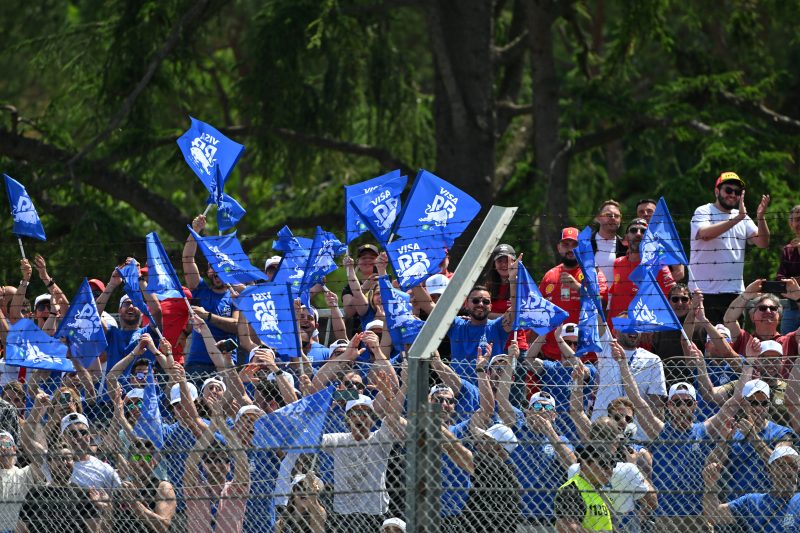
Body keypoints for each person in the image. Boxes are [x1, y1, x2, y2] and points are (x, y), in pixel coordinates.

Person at [614, 340, 740, 532]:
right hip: (666, 517)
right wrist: (623, 364)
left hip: (699, 516)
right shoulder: (660, 431)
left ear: (695, 405)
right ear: (669, 406)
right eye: (677, 402)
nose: (682, 407)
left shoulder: (704, 430)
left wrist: (746, 369)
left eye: (687, 403)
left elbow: (732, 404)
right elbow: (636, 399)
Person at [689, 171, 770, 324]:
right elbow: (705, 234)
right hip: (703, 292)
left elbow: (763, 243)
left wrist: (761, 218)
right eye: (728, 190)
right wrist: (737, 218)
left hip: (734, 292)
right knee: (705, 343)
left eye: (737, 192)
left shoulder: (743, 217)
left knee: (733, 341)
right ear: (716, 191)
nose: (732, 194)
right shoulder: (704, 211)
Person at [320, 394, 405, 533]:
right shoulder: (339, 440)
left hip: (375, 514)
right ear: (348, 418)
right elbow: (315, 438)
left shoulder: (380, 439)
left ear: (372, 419)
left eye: (366, 413)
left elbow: (392, 418)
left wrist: (403, 387)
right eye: (356, 413)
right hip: (343, 515)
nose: (361, 417)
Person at [184, 395, 251, 533]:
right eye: (210, 460)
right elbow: (191, 462)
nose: (216, 465)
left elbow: (241, 457)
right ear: (203, 464)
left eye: (222, 460)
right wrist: (213, 426)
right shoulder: (195, 489)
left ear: (229, 465)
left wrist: (221, 424)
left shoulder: (235, 490)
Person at [539, 227, 608, 360]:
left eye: (575, 244)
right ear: (559, 248)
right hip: (553, 354)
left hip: (586, 354)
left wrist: (577, 287)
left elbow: (601, 303)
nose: (570, 249)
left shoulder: (593, 273)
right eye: (566, 244)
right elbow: (539, 312)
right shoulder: (550, 275)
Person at [182, 214, 239, 374]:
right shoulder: (200, 289)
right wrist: (195, 231)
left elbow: (236, 326)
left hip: (225, 363)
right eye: (212, 267)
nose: (216, 271)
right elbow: (187, 258)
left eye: (221, 267)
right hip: (197, 364)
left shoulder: (236, 295)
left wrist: (208, 316)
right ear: (207, 271)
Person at [512, 392, 576, 531]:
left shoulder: (562, 440)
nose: (542, 410)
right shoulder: (516, 433)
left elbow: (572, 465)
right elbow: (501, 402)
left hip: (550, 519)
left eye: (548, 408)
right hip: (519, 517)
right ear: (528, 413)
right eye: (537, 406)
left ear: (554, 416)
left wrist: (549, 432)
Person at [703, 446, 800, 531]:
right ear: (769, 470)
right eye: (781, 465)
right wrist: (710, 485)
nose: (788, 470)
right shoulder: (753, 501)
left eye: (793, 466)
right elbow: (713, 516)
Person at [18, 444, 104, 533]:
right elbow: (20, 527)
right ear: (49, 463)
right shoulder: (36, 492)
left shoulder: (83, 494)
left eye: (68, 458)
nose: (64, 462)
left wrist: (99, 507)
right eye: (58, 458)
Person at [606, 218, 675, 321]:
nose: (638, 234)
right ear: (625, 238)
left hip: (643, 331)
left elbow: (673, 297)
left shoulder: (658, 266)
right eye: (633, 230)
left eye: (643, 231)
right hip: (616, 329)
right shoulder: (618, 263)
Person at [723, 281, 800, 366]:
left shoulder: (789, 340)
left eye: (773, 308)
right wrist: (745, 296)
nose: (768, 311)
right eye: (762, 308)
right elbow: (728, 320)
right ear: (752, 316)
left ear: (780, 317)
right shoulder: (744, 339)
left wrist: (799, 297)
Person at [112, 437, 176, 532]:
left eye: (147, 457)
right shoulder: (122, 488)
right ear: (128, 463)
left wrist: (134, 503)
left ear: (153, 463)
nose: (141, 462)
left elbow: (163, 526)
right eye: (137, 457)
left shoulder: (162, 487)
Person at [553, 445, 615, 532]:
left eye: (612, 465)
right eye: (603, 464)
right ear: (584, 464)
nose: (609, 470)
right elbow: (565, 526)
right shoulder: (572, 489)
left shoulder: (601, 493)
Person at [635, 198, 685, 281]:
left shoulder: (667, 239)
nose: (645, 214)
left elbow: (679, 272)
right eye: (641, 212)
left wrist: (660, 287)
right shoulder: (633, 237)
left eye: (649, 211)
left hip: (662, 291)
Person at [591, 200, 627, 284]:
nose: (613, 218)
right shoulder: (584, 244)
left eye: (617, 216)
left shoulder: (625, 247)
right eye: (608, 215)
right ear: (599, 218)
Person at [777, 205, 800, 333]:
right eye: (797, 219)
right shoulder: (788, 249)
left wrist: (792, 282)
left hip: (791, 302)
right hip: (792, 308)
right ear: (791, 223)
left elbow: (787, 281)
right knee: (786, 347)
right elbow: (780, 278)